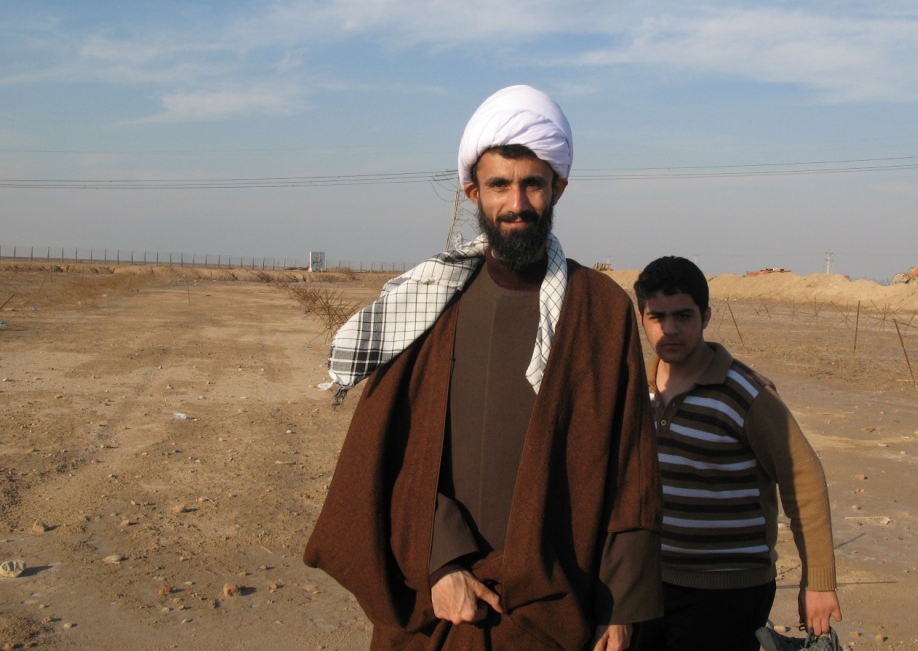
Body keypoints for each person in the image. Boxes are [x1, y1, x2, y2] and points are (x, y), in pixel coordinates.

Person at [304, 85, 663, 651]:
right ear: (473, 191)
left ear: (558, 188)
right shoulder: (429, 305)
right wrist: (439, 561)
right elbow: (386, 454)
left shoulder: (600, 310)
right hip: (440, 609)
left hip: (554, 609)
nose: (517, 203)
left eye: (533, 184)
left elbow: (630, 468)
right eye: (499, 185)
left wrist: (618, 607)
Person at [631, 256, 842, 651]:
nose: (669, 329)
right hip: (650, 582)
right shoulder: (635, 388)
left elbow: (804, 479)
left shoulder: (745, 393)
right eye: (657, 317)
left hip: (728, 592)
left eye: (683, 316)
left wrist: (818, 582)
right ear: (642, 318)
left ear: (706, 317)